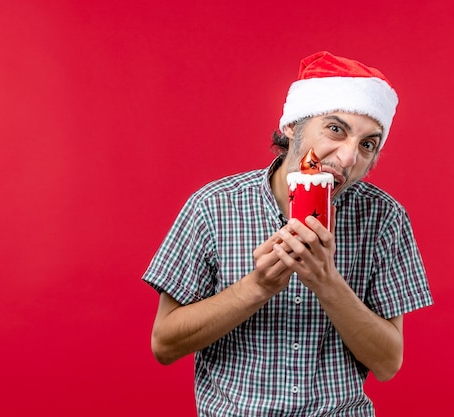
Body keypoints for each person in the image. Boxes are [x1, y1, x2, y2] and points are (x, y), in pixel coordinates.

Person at [142, 51, 433, 416]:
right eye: (335, 129)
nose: (346, 159)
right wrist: (257, 287)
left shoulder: (384, 217)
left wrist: (327, 282)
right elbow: (164, 345)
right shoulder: (213, 207)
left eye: (367, 145)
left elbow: (388, 364)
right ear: (293, 125)